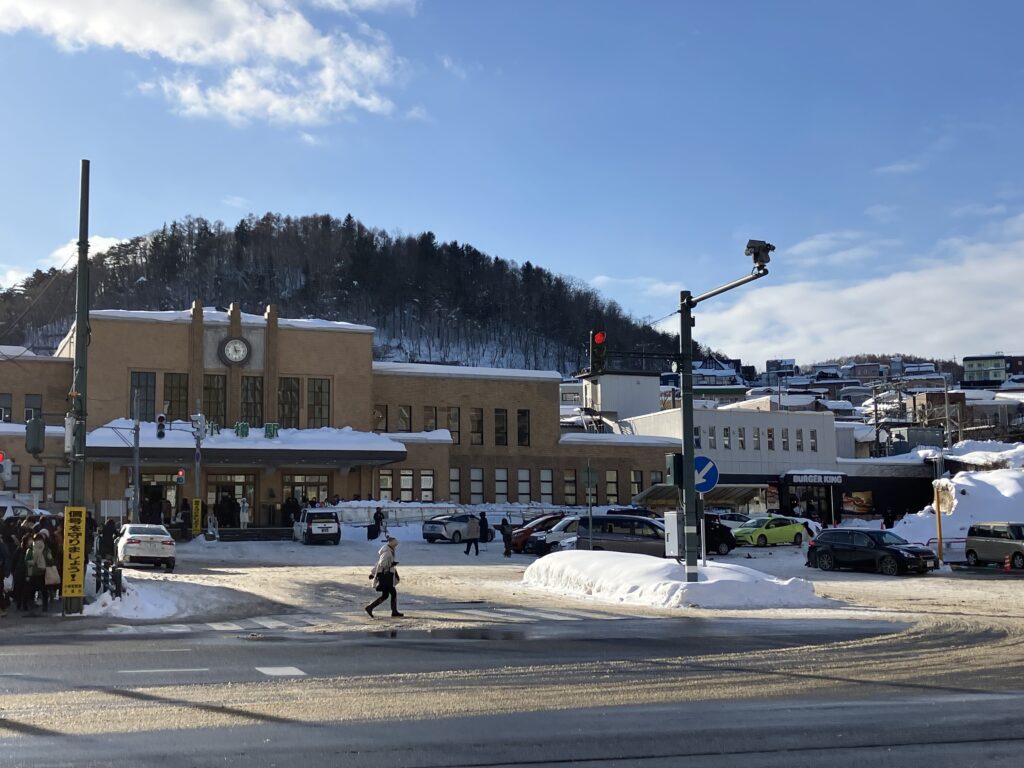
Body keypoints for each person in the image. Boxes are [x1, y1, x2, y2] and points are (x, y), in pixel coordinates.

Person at [365, 536, 403, 618]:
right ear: (392, 544)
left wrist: (373, 573)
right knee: (392, 593)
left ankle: (370, 607)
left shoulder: (388, 551)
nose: (396, 546)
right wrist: (391, 564)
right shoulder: (387, 552)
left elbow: (378, 563)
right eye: (395, 545)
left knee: (386, 595)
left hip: (386, 576)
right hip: (386, 576)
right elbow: (382, 563)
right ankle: (394, 611)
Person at [25, 532, 54, 614]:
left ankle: (31, 609)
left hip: (32, 573)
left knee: (32, 591)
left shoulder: (30, 549)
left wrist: (32, 564)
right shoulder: (46, 549)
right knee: (44, 591)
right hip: (43, 572)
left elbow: (26, 562)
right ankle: (45, 608)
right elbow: (51, 561)